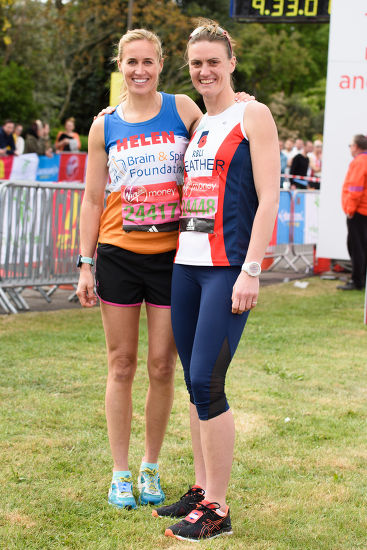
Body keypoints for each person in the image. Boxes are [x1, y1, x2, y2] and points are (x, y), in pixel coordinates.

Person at [152, 20, 280, 542]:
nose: (204, 71)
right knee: (192, 381)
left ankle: (220, 510)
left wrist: (251, 269)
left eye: (213, 61)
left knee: (208, 381)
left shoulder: (254, 114)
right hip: (186, 264)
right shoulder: (200, 123)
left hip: (229, 269)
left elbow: (269, 196)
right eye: (196, 63)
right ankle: (202, 491)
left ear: (231, 62)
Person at [337, 134, 367, 291]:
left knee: (356, 247)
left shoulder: (359, 162)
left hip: (358, 211)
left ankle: (357, 281)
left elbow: (355, 188)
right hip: (363, 210)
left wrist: (350, 209)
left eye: (350, 145)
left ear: (356, 147)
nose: (350, 148)